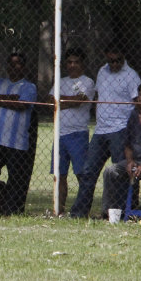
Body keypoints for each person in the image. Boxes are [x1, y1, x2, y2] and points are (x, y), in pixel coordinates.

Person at [69, 45, 141, 218]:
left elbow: (138, 103)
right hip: (101, 130)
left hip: (120, 129)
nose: (114, 64)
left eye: (117, 61)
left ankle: (121, 211)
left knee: (120, 172)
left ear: (123, 57)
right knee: (88, 172)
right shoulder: (102, 71)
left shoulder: (131, 76)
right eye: (111, 61)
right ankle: (79, 213)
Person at [0, 52, 37, 215]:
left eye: (18, 64)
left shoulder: (29, 86)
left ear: (24, 67)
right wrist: (9, 99)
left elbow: (22, 105)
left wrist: (0, 100)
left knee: (16, 179)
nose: (14, 67)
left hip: (17, 142)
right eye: (11, 64)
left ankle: (12, 210)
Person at [100, 83, 141, 216]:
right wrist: (130, 161)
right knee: (110, 171)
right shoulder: (133, 116)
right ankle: (111, 211)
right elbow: (127, 144)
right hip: (136, 160)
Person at [50, 47, 95, 215]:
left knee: (81, 174)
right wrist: (66, 101)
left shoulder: (88, 82)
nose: (72, 65)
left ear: (82, 64)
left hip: (78, 134)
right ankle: (59, 209)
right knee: (59, 175)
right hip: (59, 133)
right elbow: (50, 101)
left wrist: (60, 100)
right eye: (69, 62)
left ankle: (82, 209)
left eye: (76, 62)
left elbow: (79, 101)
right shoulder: (60, 81)